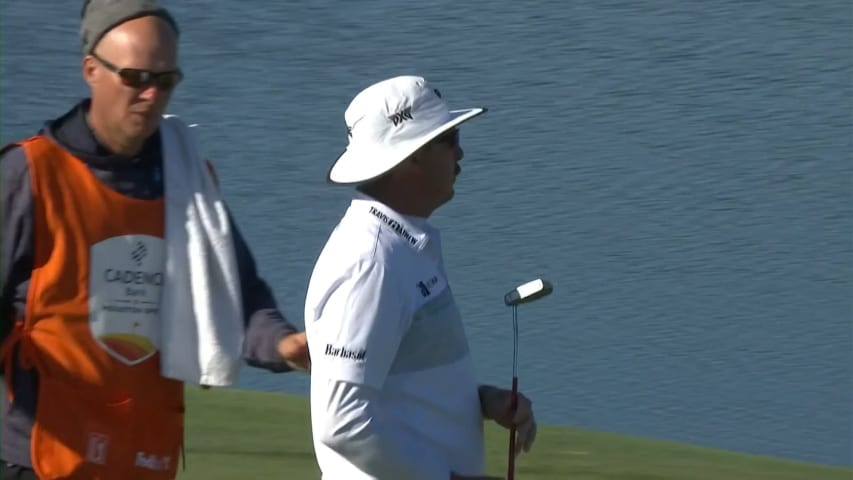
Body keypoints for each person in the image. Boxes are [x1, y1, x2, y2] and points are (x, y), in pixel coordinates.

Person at [0, 1, 310, 479]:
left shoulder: (189, 179)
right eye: (135, 78)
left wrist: (286, 346)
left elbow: (237, 295)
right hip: (42, 458)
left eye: (165, 81)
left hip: (145, 454)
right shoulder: (29, 176)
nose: (151, 95)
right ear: (91, 71)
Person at [304, 75, 538, 479]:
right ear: (410, 156)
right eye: (449, 139)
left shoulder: (403, 246)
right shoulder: (371, 264)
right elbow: (341, 422)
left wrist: (483, 401)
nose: (460, 153)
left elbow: (402, 381)